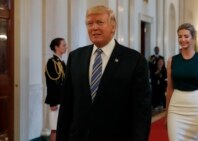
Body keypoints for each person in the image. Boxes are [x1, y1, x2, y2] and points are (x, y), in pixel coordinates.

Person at [56, 5, 151, 141]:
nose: (94, 27)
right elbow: (66, 105)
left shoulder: (134, 60)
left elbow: (141, 111)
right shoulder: (75, 57)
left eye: (100, 22)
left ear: (113, 26)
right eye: (90, 23)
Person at [165, 23, 198, 141]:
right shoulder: (172, 60)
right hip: (175, 109)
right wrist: (166, 113)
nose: (182, 39)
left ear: (193, 38)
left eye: (186, 36)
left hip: (196, 108)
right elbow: (169, 88)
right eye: (180, 36)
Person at [45, 37, 67, 141]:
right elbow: (51, 84)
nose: (66, 47)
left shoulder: (62, 62)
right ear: (56, 47)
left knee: (62, 127)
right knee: (55, 129)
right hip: (56, 101)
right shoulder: (51, 62)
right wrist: (53, 102)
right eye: (63, 45)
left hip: (63, 100)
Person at [148, 46, 166, 111]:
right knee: (154, 92)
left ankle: (162, 105)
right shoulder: (151, 57)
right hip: (154, 77)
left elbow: (163, 67)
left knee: (161, 92)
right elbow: (149, 66)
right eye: (155, 49)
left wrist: (161, 73)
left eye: (158, 49)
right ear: (154, 50)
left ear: (159, 50)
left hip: (161, 78)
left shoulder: (162, 57)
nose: (157, 50)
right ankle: (154, 105)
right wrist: (155, 72)